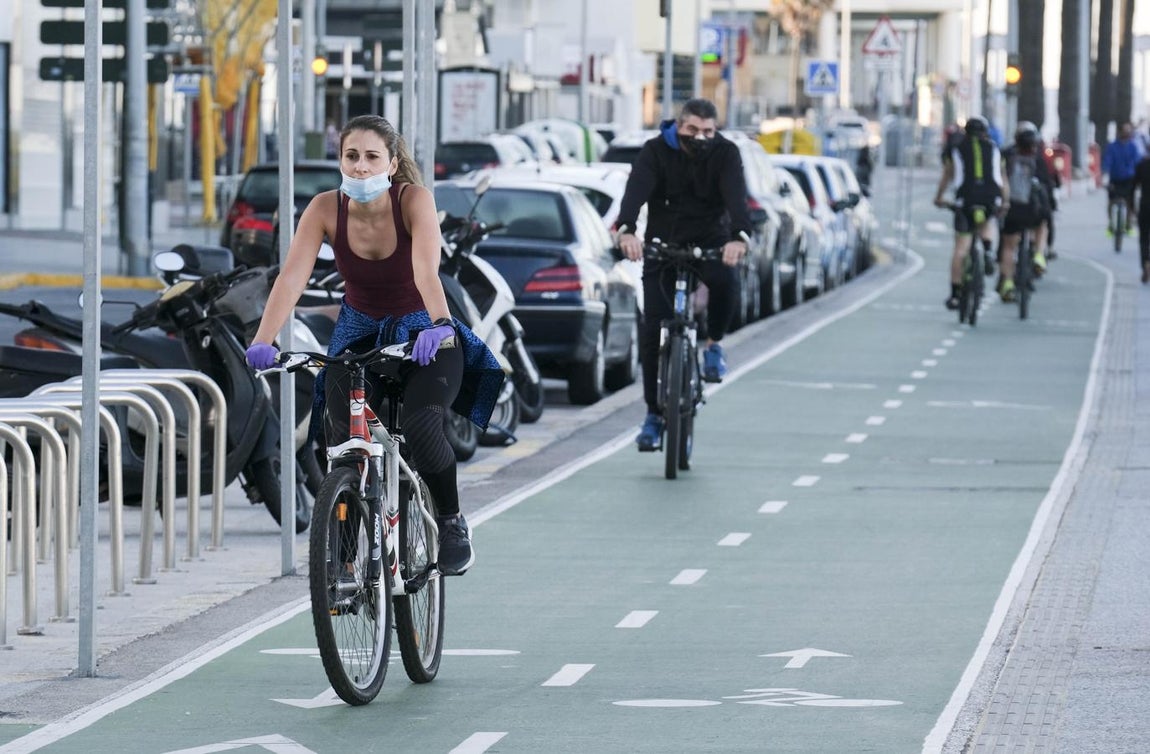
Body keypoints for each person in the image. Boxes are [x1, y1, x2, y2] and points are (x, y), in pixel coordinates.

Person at [245, 114, 503, 576]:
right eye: (351, 157)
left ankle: (450, 521)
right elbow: (292, 277)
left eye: (370, 157)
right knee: (341, 437)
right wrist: (263, 339)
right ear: (340, 160)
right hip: (359, 330)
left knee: (423, 427)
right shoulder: (325, 209)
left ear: (392, 162)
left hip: (424, 330)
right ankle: (344, 560)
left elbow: (427, 271)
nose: (360, 168)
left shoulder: (414, 201)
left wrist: (440, 325)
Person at [614, 98, 753, 451]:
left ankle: (714, 345)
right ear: (679, 126)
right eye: (692, 130)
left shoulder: (726, 154)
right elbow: (635, 193)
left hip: (711, 241)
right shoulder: (655, 151)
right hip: (664, 243)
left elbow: (738, 198)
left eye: (708, 131)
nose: (700, 138)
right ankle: (653, 414)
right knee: (652, 329)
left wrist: (739, 237)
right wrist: (627, 229)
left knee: (725, 280)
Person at [934, 115, 1006, 309]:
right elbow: (1002, 179)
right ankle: (989, 249)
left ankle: (955, 294)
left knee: (961, 248)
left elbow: (947, 176)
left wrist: (939, 197)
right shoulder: (994, 149)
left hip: (965, 200)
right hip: (990, 198)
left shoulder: (956, 148)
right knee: (987, 223)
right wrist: (1004, 202)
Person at [998, 121, 1055, 301]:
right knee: (1042, 224)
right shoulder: (1038, 159)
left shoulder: (1007, 155)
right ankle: (1039, 254)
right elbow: (1048, 184)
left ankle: (1007, 282)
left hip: (1013, 207)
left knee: (1008, 246)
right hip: (1034, 209)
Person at [1102, 123, 1145, 236]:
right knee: (1111, 201)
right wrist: (1105, 174)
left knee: (1129, 202)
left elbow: (1137, 162)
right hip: (1115, 178)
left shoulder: (1133, 146)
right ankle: (1111, 224)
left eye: (1128, 131)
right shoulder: (1112, 146)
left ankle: (1128, 224)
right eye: (1125, 131)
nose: (1127, 133)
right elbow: (1108, 160)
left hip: (1129, 179)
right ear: (1120, 132)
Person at [1134, 150, 1150, 283]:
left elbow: (1134, 186)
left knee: (1144, 238)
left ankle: (1145, 263)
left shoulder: (1142, 165)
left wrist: (1132, 207)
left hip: (1145, 205)